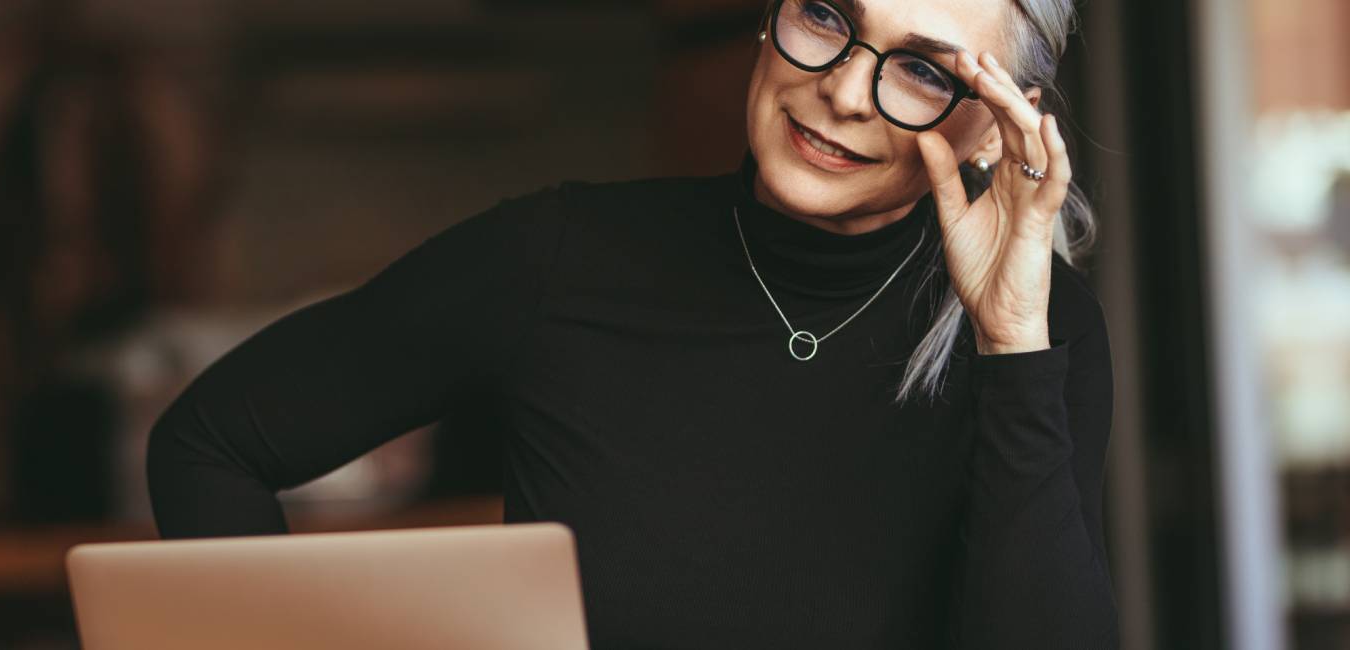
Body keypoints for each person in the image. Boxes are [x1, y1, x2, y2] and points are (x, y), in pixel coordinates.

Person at [146, 0, 1120, 647]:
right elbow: (209, 442)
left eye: (920, 70)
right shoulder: (558, 256)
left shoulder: (1039, 337)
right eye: (826, 14)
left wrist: (1010, 342)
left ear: (993, 123)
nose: (842, 89)